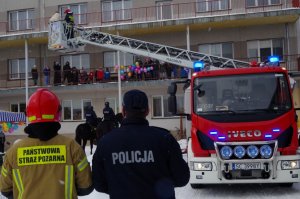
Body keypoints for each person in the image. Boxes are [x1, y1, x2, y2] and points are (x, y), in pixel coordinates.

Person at [92, 89, 190, 199]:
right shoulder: (164, 138)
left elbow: (99, 184)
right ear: (147, 111)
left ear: (124, 111)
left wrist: (119, 188)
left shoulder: (106, 142)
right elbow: (181, 178)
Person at [0, 88, 93, 198]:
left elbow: (5, 189)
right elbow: (86, 187)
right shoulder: (72, 147)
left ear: (29, 114)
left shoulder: (13, 152)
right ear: (57, 113)